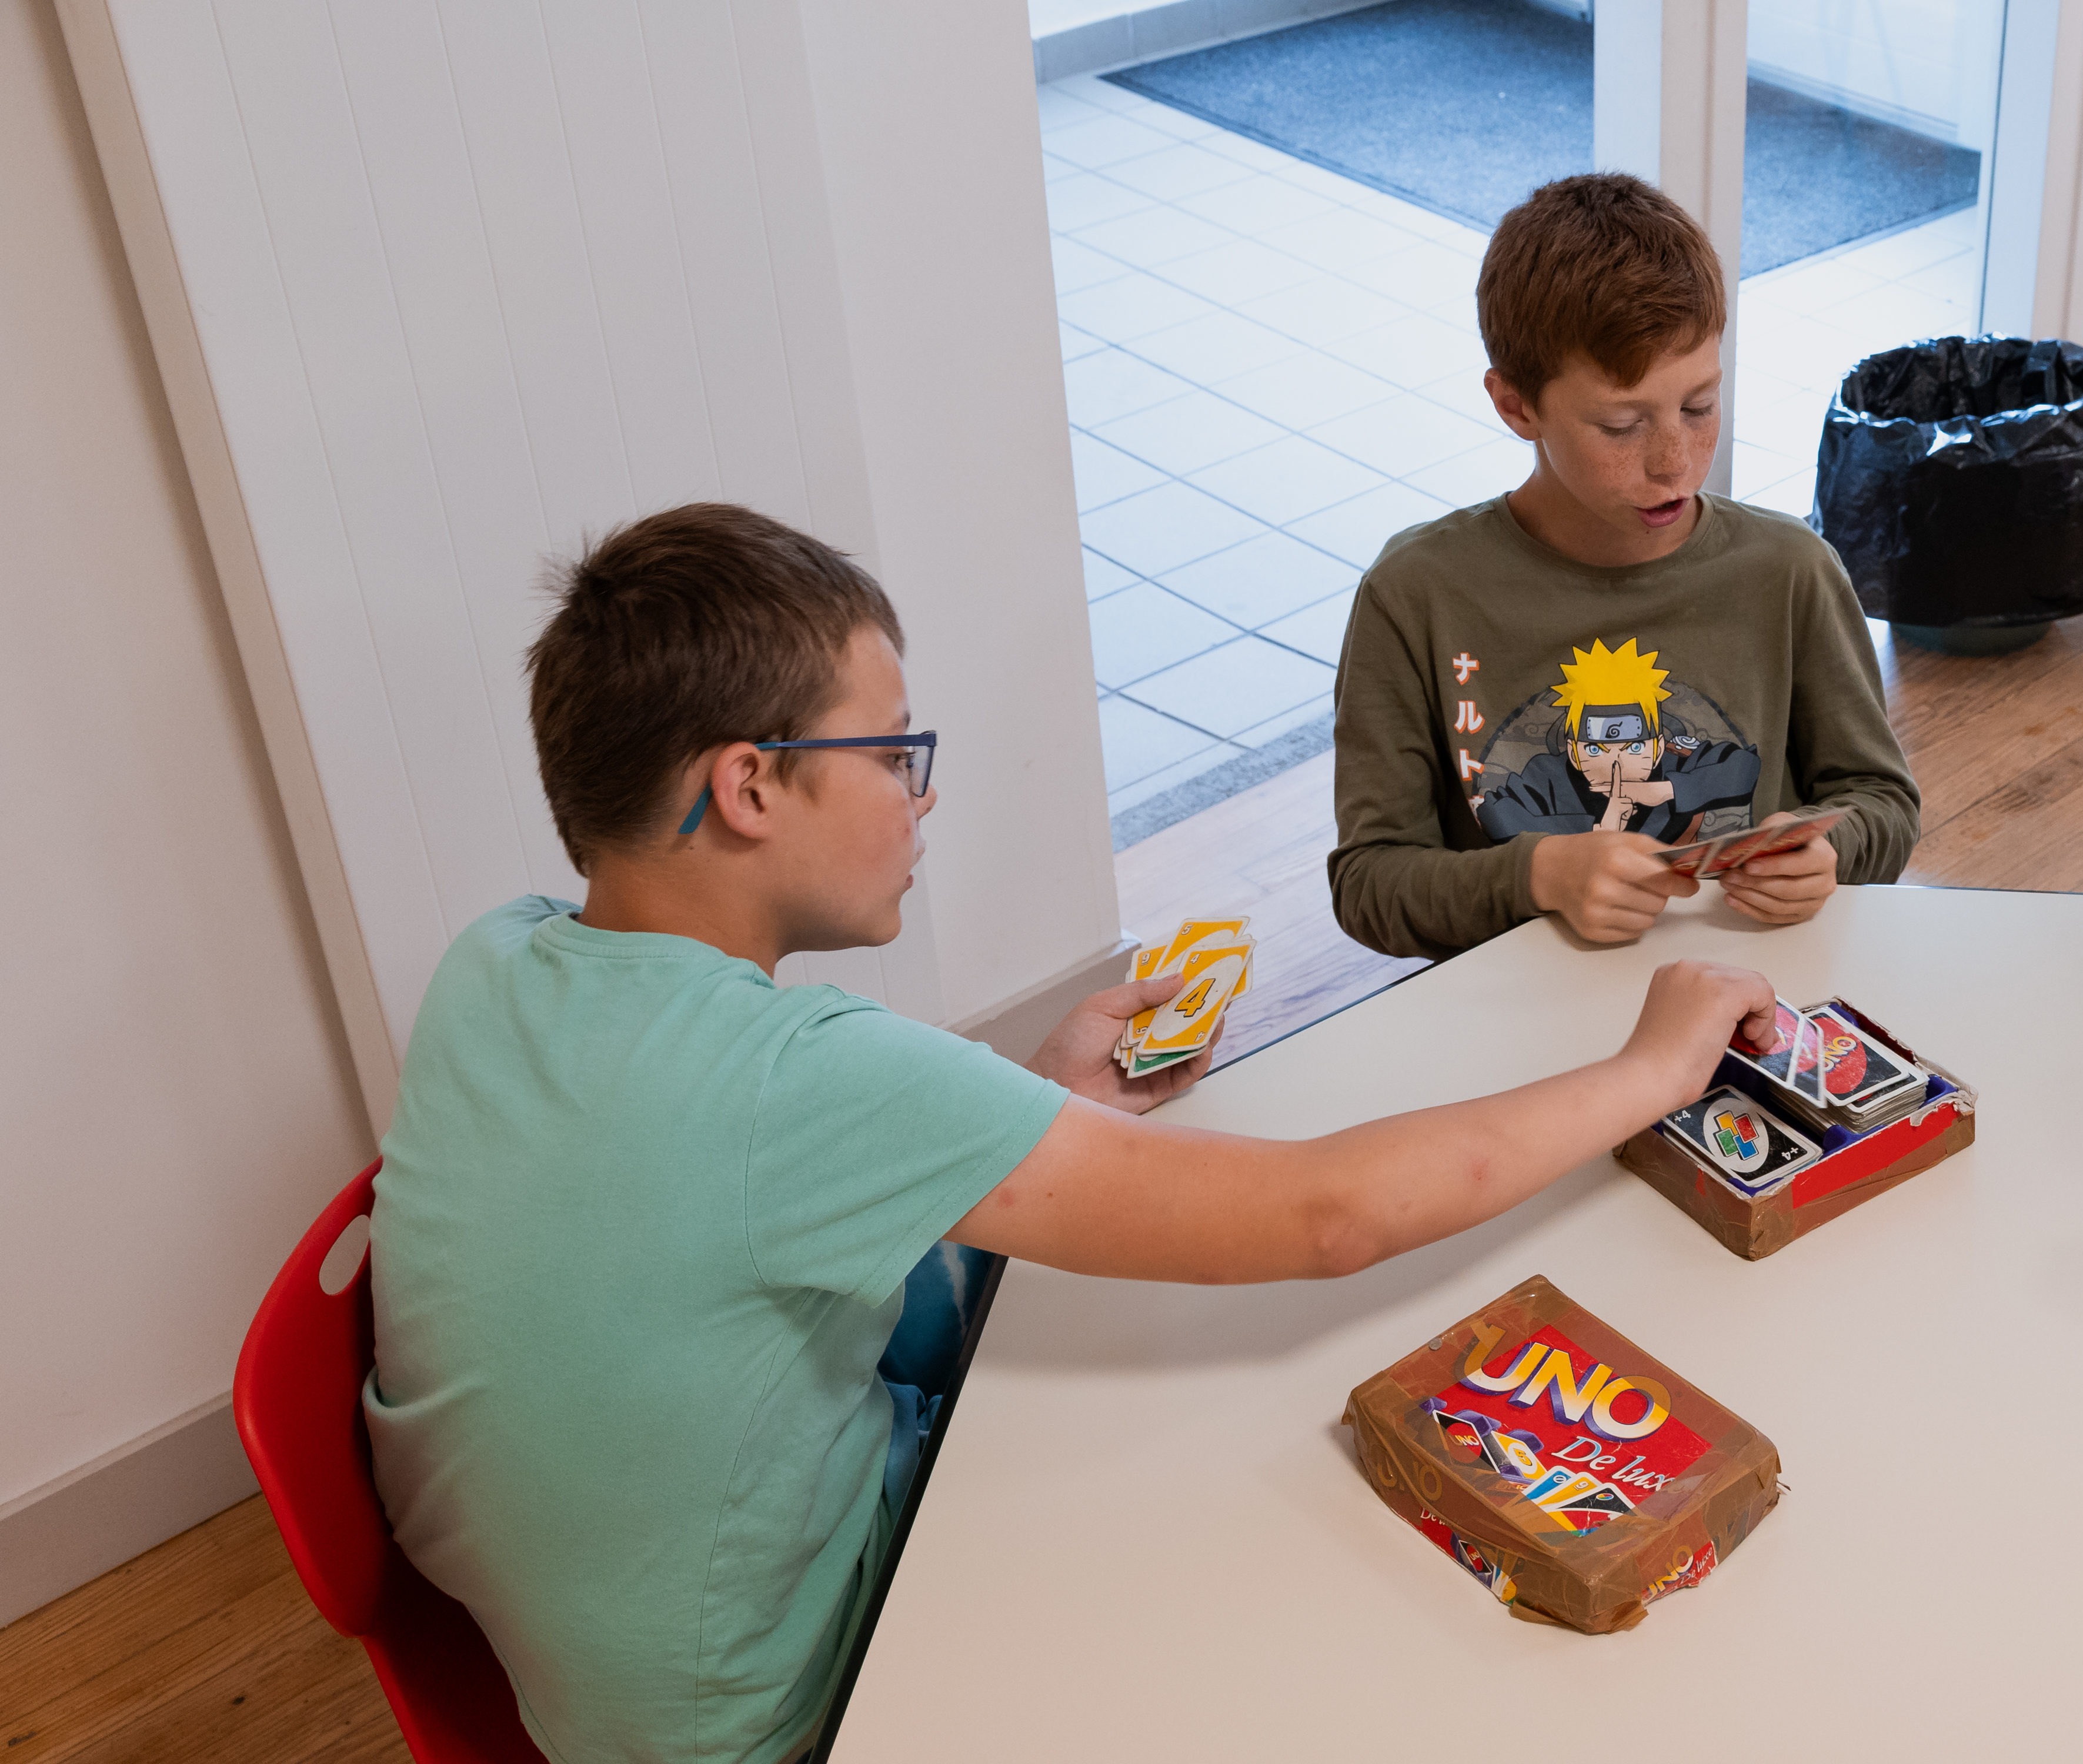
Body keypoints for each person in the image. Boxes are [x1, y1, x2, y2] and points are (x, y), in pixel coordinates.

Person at [363, 504, 1777, 1764]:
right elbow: (1323, 1219)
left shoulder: (499, 959)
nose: (923, 796)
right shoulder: (795, 1079)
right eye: (895, 753)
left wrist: (1045, 1101)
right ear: (749, 787)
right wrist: (1652, 1067)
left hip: (590, 1677)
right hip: (793, 1714)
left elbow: (721, 1199)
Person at [1327, 172, 1920, 960]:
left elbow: (1882, 802)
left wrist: (1830, 856)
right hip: (1519, 1020)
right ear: (1515, 407)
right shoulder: (1415, 596)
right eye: (1620, 425)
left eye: (1699, 406)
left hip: (1746, 997)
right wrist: (1537, 875)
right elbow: (1370, 888)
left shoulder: (1791, 572)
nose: (1675, 461)